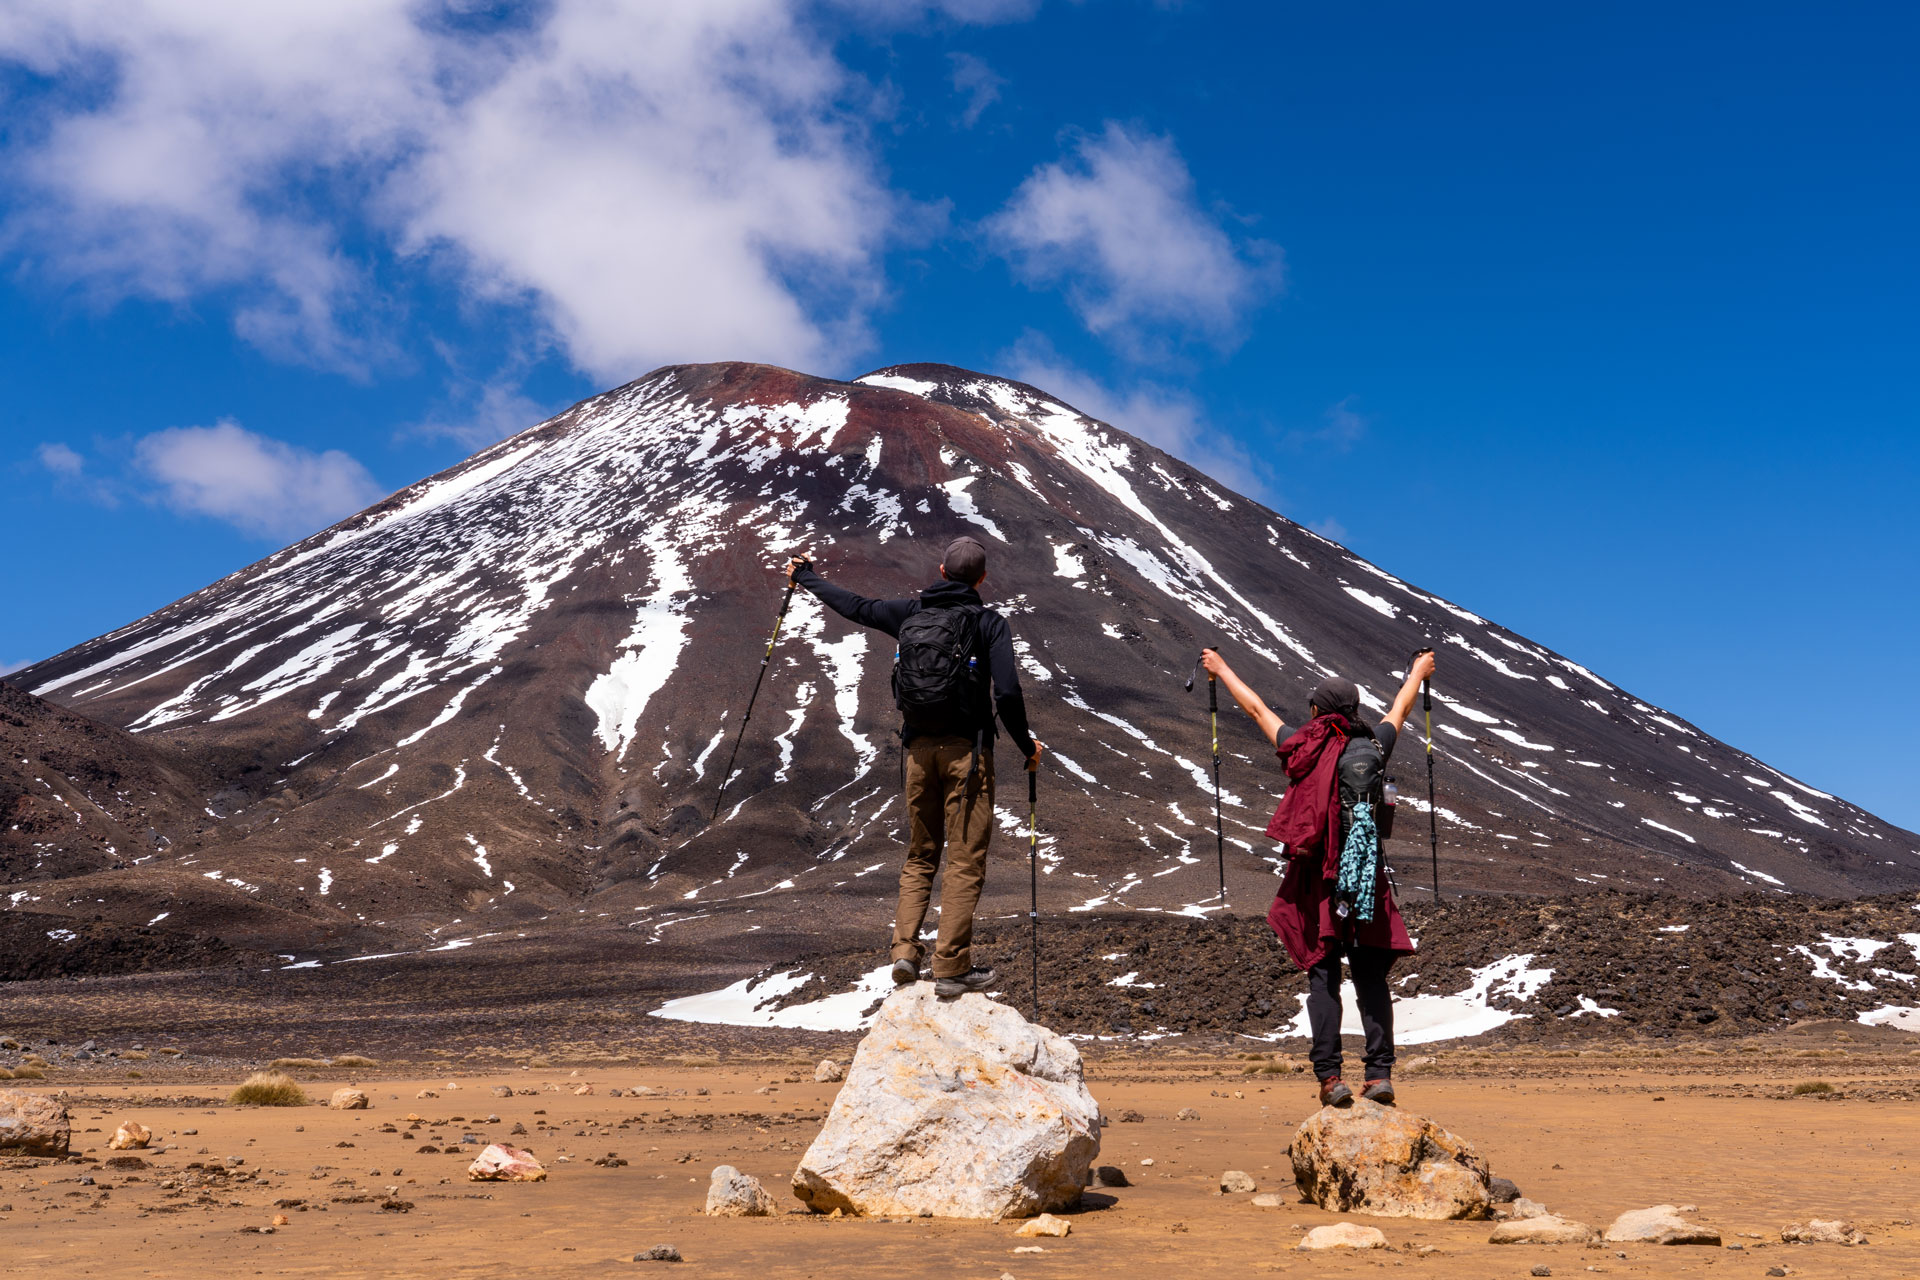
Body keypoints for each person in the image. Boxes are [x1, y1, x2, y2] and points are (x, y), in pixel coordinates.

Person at [787, 537, 1042, 999]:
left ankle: (904, 954)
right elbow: (1006, 694)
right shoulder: (988, 623)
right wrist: (1027, 748)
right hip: (967, 756)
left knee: (921, 854)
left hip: (918, 752)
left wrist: (806, 576)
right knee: (964, 859)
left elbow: (855, 606)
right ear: (982, 579)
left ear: (941, 571)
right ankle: (951, 968)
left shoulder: (910, 613)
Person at [1199, 646, 1438, 1107]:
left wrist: (1222, 668)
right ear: (1354, 710)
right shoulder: (1374, 745)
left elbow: (1256, 710)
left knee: (1323, 976)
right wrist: (1418, 672)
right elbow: (1401, 708)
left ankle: (1330, 1079)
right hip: (1364, 876)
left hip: (1318, 882)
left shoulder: (1303, 746)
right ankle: (1379, 1075)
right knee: (1370, 978)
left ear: (1316, 711)